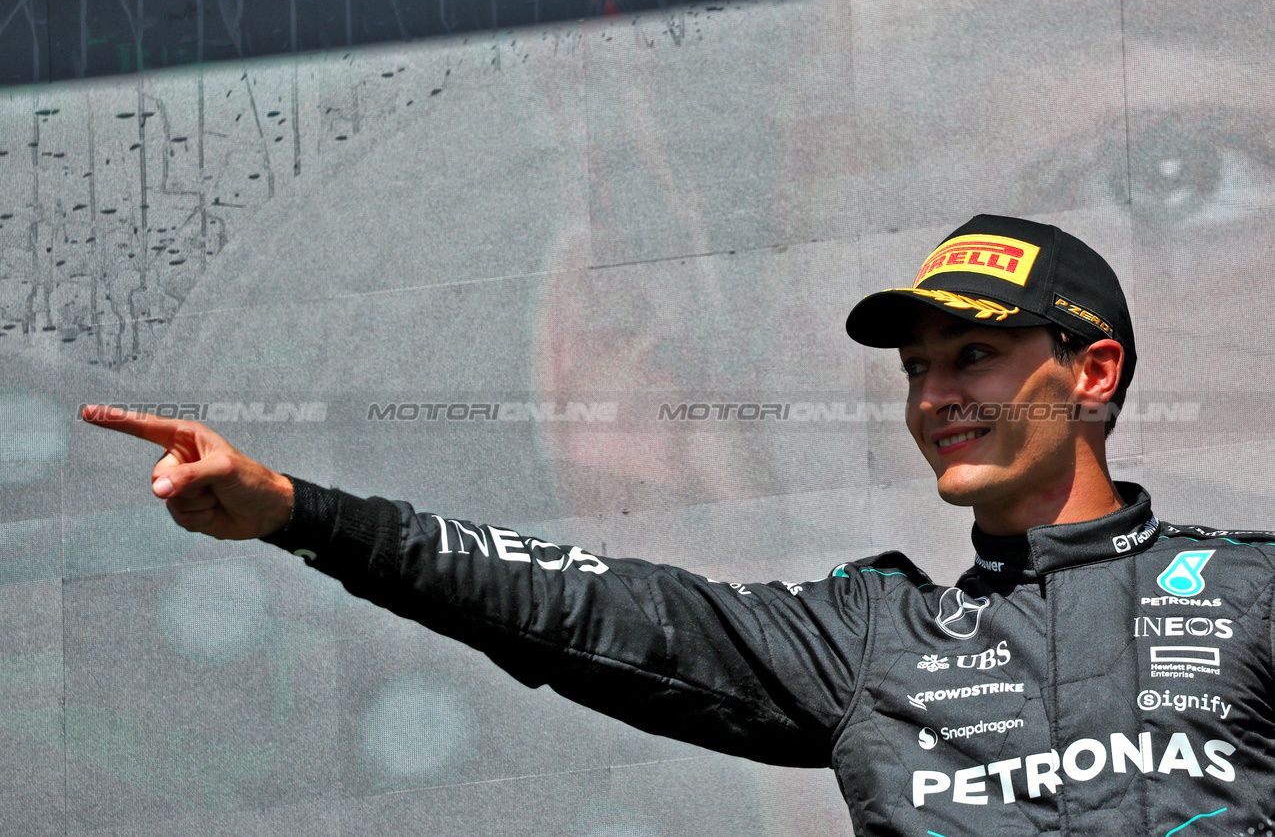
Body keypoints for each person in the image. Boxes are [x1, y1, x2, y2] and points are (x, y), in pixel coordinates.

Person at [81, 214, 1275, 837]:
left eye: (975, 355)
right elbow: (587, 605)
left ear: (1093, 371)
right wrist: (303, 513)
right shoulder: (877, 636)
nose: (936, 397)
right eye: (917, 368)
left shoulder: (1249, 595)